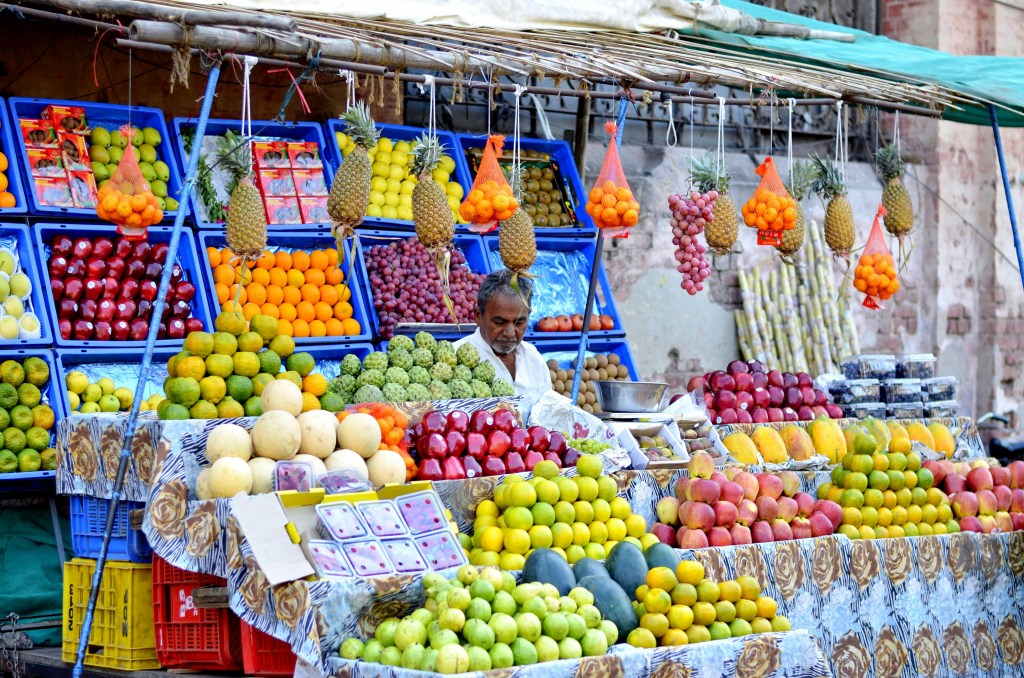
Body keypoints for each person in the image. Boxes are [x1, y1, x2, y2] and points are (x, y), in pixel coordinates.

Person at [455, 270, 551, 411]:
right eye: (500, 322)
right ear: (478, 316)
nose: (510, 333)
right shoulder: (454, 357)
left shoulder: (533, 357)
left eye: (519, 323)